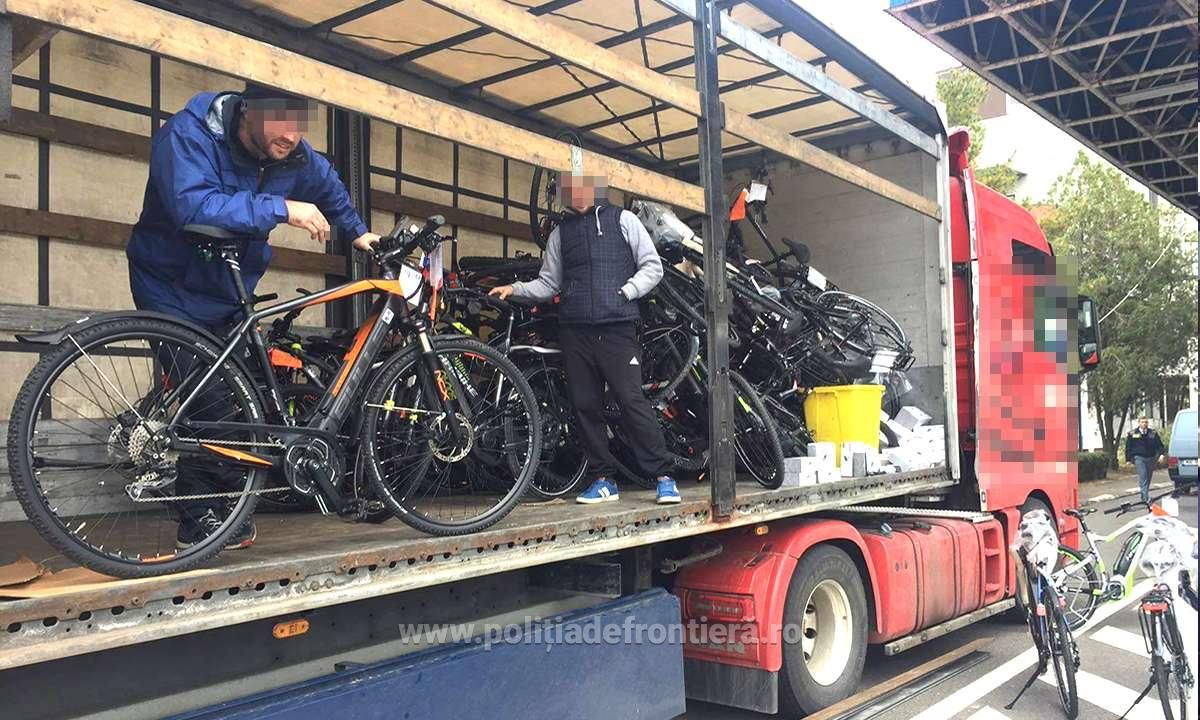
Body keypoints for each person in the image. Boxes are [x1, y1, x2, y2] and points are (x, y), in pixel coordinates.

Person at [126, 84, 380, 550]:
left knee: (243, 402)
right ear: (248, 111)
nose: (292, 135)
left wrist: (361, 234)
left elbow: (328, 185)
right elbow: (193, 204)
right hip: (169, 286)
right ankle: (197, 520)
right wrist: (281, 208)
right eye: (281, 122)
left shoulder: (291, 153)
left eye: (299, 124)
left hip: (229, 287)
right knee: (214, 405)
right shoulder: (188, 134)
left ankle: (218, 509)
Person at [489, 171, 680, 505]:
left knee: (630, 400)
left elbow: (653, 267)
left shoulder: (624, 220)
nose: (574, 194)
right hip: (575, 330)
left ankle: (664, 478)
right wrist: (514, 289)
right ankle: (603, 480)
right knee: (585, 406)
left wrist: (626, 292)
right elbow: (548, 284)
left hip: (617, 327)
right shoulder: (560, 234)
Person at [1124, 416, 1166, 505]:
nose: (1144, 424)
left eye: (1146, 422)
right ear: (1139, 423)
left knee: (1148, 477)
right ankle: (1146, 498)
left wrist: (1161, 455)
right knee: (1143, 476)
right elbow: (1128, 447)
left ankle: (1143, 495)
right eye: (1142, 422)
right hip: (1139, 458)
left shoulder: (1152, 433)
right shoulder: (1133, 433)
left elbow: (1160, 445)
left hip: (1150, 458)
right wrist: (1128, 459)